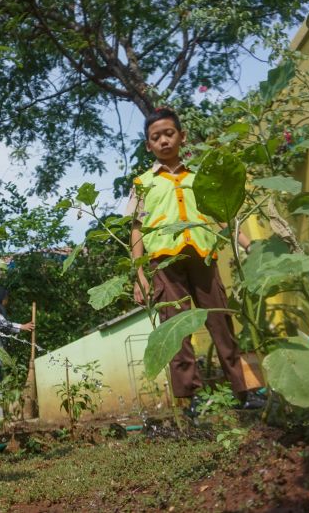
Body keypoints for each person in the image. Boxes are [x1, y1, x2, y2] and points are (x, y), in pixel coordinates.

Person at [127, 106, 261, 419]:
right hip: (165, 266)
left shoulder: (200, 177)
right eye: (155, 137)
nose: (163, 141)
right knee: (176, 332)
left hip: (204, 258)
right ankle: (190, 401)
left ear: (182, 137)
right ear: (149, 145)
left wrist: (249, 245)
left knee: (222, 325)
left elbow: (223, 215)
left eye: (168, 134)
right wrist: (139, 276)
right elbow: (136, 229)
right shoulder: (142, 183)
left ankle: (245, 391)